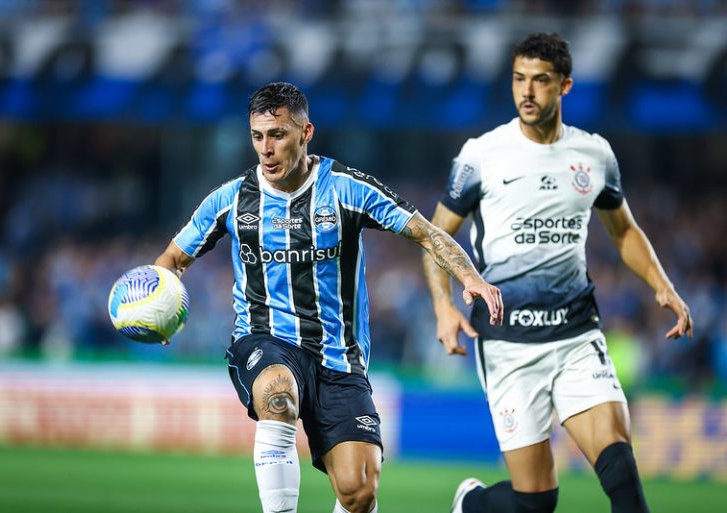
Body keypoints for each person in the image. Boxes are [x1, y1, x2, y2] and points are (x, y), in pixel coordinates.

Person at [154, 82, 503, 513]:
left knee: (359, 493)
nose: (266, 148)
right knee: (277, 391)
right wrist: (160, 307)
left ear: (306, 133)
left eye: (278, 134)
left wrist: (471, 278)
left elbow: (426, 233)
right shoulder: (230, 200)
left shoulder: (345, 188)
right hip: (265, 341)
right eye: (257, 136)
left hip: (339, 359)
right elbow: (172, 258)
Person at [422, 33, 693, 513]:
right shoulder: (482, 155)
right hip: (508, 346)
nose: (527, 92)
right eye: (519, 79)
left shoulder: (594, 155)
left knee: (626, 489)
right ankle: (472, 504)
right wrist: (443, 307)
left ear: (565, 86)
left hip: (575, 336)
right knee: (536, 505)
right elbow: (435, 236)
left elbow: (624, 230)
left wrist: (662, 285)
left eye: (541, 81)